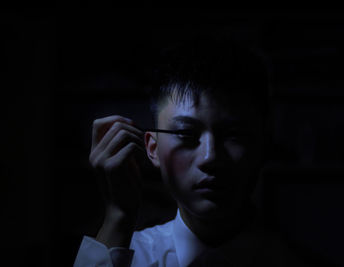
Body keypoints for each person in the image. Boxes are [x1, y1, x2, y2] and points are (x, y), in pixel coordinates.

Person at [74, 35, 303, 266]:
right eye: (186, 134)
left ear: (263, 145)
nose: (210, 157)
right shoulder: (125, 255)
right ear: (152, 148)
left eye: (233, 135)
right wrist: (118, 216)